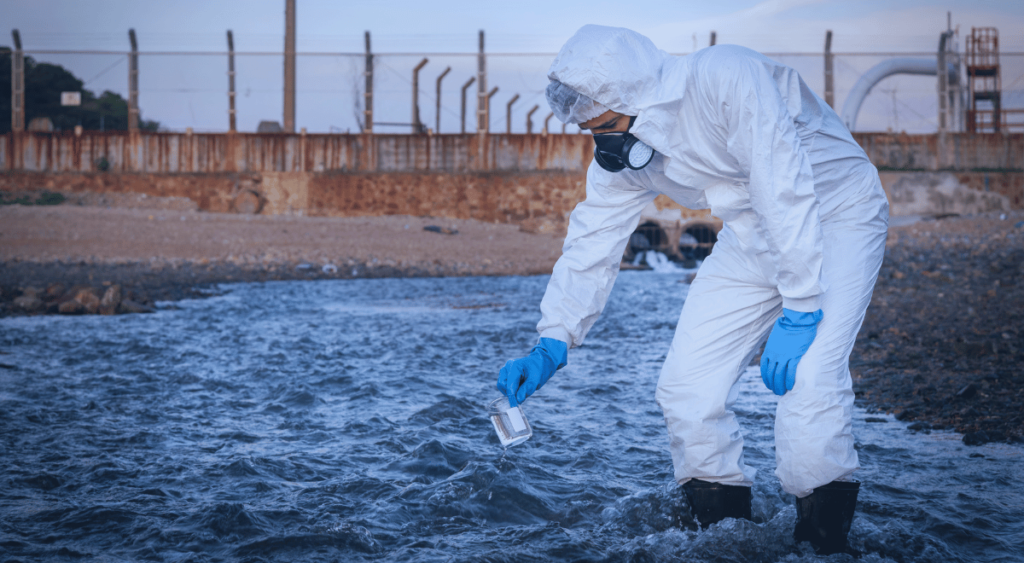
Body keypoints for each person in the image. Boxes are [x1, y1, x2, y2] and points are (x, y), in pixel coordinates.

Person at [496, 25, 888, 555]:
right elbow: (593, 239)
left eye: (608, 124)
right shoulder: (627, 152)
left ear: (637, 94)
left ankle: (821, 542)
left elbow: (782, 183)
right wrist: (554, 339)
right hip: (750, 234)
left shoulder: (725, 77)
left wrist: (800, 305)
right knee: (685, 389)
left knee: (811, 379)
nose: (605, 142)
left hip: (836, 213)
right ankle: (724, 536)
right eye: (592, 132)